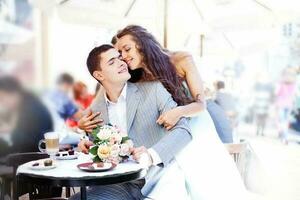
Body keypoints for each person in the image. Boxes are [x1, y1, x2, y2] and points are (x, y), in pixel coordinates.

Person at [79, 25, 247, 199]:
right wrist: (83, 124)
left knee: (203, 180)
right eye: (120, 54)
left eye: (127, 49)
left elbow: (201, 104)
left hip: (193, 119)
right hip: (165, 129)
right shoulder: (133, 72)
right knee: (173, 175)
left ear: (142, 44)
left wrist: (178, 112)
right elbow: (102, 97)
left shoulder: (181, 59)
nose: (124, 58)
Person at [71, 45, 192, 199]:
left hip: (159, 181)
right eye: (112, 62)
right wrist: (88, 145)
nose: (122, 62)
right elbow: (102, 151)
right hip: (120, 185)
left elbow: (184, 130)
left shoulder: (153, 90)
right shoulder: (96, 109)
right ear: (99, 75)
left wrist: (150, 155)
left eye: (120, 58)